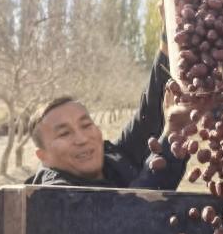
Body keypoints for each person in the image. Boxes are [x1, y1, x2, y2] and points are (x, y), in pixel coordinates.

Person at [25, 38, 191, 190]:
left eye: (86, 125)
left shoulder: (112, 161)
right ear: (43, 156)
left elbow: (149, 117)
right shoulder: (53, 195)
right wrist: (174, 131)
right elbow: (129, 210)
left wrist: (168, 39)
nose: (82, 139)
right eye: (64, 133)